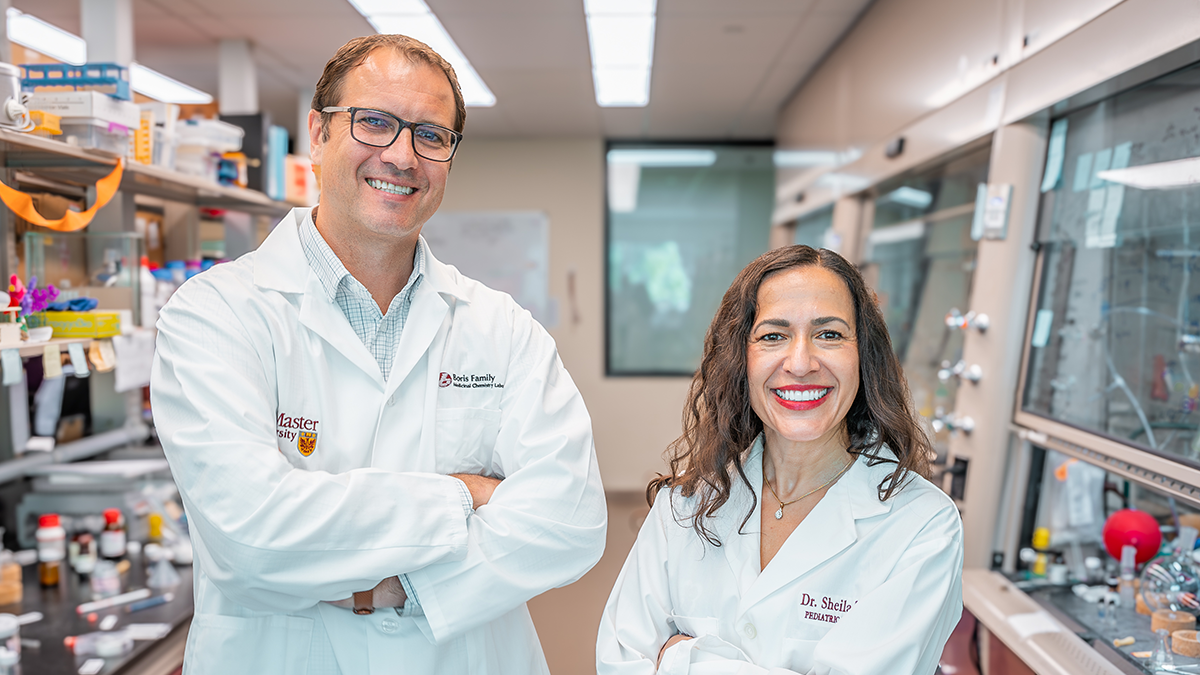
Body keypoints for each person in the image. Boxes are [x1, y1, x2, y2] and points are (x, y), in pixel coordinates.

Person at [151, 34, 606, 675]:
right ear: (318, 133)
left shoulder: (502, 327)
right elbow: (252, 535)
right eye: (375, 122)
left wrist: (400, 589)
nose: (402, 155)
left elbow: (572, 520)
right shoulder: (217, 314)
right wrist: (464, 496)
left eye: (431, 135)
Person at [596, 245, 962, 674]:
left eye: (829, 334)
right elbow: (619, 662)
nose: (801, 363)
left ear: (863, 355)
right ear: (741, 359)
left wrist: (681, 661)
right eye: (773, 336)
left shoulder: (921, 526)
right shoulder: (684, 505)